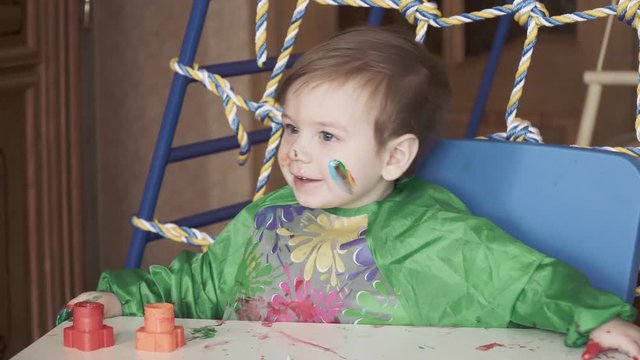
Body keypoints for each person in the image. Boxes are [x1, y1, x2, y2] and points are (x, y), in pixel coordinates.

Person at [68, 27, 640, 358]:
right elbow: (196, 285)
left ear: (394, 156)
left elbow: (523, 282)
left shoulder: (433, 235)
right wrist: (124, 298)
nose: (295, 151)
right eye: (291, 128)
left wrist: (594, 318)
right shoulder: (269, 217)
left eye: (326, 136)